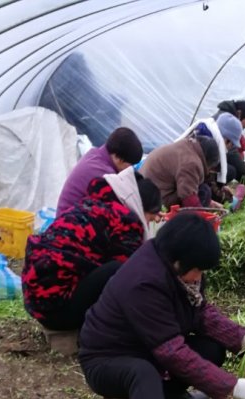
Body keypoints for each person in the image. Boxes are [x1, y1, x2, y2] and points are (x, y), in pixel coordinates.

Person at [78, 213, 245, 399]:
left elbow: (200, 313)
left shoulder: (180, 270)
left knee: (210, 348)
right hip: (107, 360)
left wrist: (239, 337)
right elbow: (171, 352)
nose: (200, 276)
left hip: (147, 348)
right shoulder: (143, 283)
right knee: (141, 373)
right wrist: (231, 385)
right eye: (197, 270)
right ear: (177, 262)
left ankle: (172, 395)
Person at [22, 170, 161, 332]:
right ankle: (106, 330)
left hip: (36, 301)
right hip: (57, 311)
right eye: (153, 215)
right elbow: (130, 276)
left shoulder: (94, 205)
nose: (154, 220)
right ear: (142, 206)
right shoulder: (125, 220)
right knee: (120, 271)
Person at [57, 127, 143, 215]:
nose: (130, 169)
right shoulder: (105, 175)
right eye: (130, 165)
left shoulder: (96, 154)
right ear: (118, 158)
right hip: (69, 222)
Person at [141, 135, 221, 209]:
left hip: (146, 188)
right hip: (154, 199)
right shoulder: (192, 163)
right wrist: (204, 218)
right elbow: (188, 198)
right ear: (208, 163)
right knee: (204, 191)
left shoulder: (187, 145)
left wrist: (210, 203)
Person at [215, 99, 245, 181]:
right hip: (210, 161)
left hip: (214, 159)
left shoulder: (225, 115)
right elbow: (231, 152)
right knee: (231, 171)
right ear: (239, 113)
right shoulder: (226, 119)